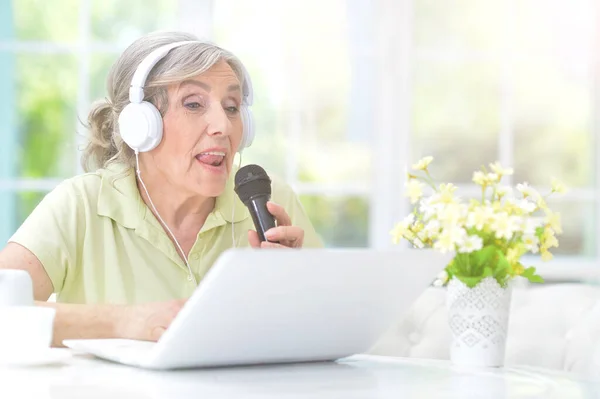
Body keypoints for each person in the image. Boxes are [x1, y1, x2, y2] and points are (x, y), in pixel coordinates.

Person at [0, 31, 323, 346]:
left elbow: (327, 330)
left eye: (232, 106)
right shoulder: (80, 205)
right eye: (194, 104)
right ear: (141, 125)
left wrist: (295, 286)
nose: (223, 126)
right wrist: (123, 322)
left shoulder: (268, 201)